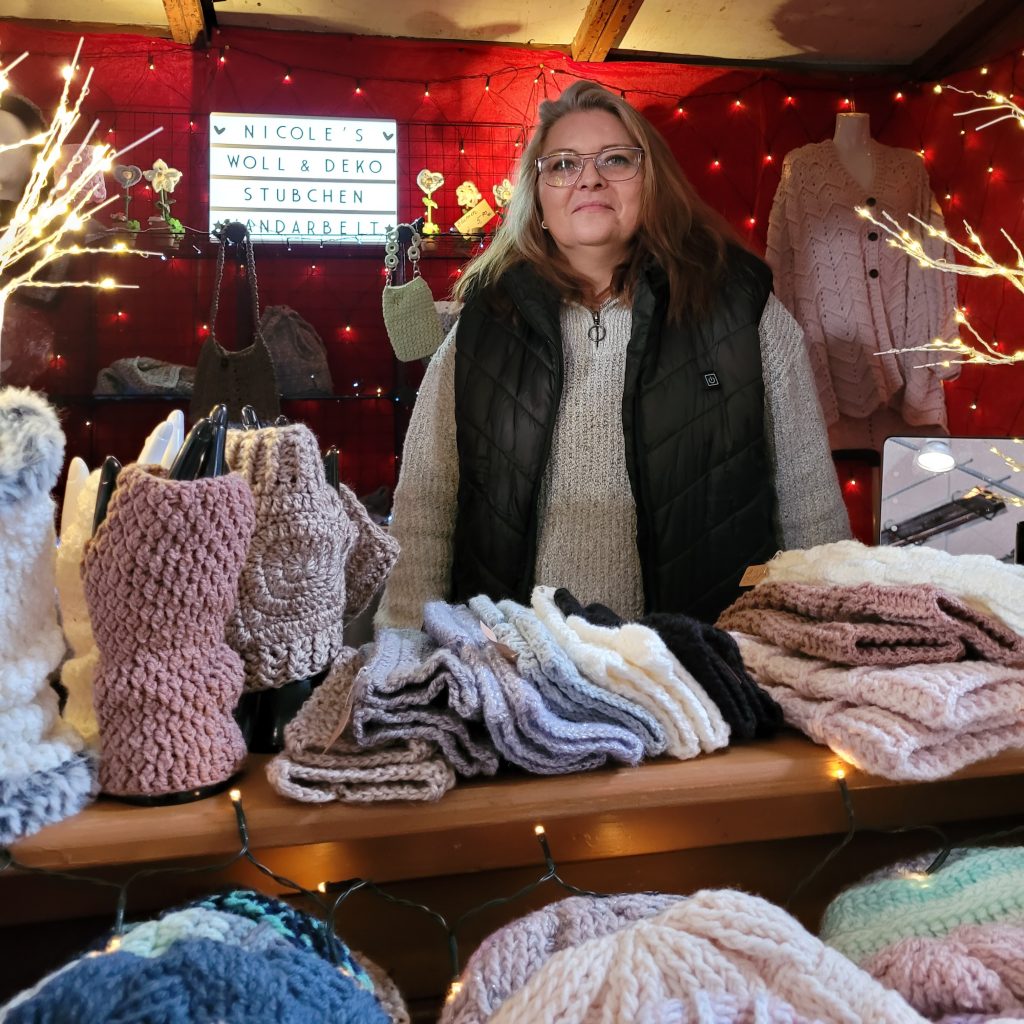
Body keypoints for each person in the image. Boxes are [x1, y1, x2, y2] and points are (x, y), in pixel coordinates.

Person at [376, 80, 850, 630]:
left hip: (701, 671)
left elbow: (810, 508)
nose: (589, 179)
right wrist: (402, 652)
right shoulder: (479, 331)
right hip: (515, 674)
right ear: (540, 197)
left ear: (653, 182)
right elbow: (423, 511)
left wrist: (827, 649)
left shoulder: (744, 314)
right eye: (562, 165)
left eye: (616, 159)